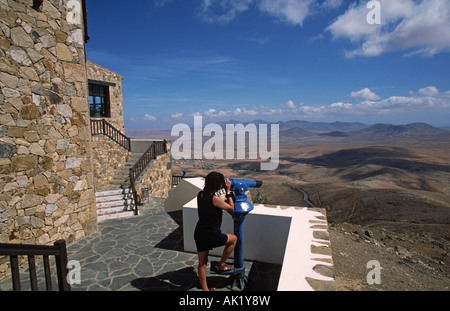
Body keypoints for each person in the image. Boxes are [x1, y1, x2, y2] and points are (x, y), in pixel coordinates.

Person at [195, 172, 237, 291]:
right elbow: (231, 207)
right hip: (212, 234)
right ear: (217, 184)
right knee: (233, 239)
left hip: (200, 232)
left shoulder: (201, 194)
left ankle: (206, 290)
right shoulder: (215, 199)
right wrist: (228, 191)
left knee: (202, 264)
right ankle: (221, 265)